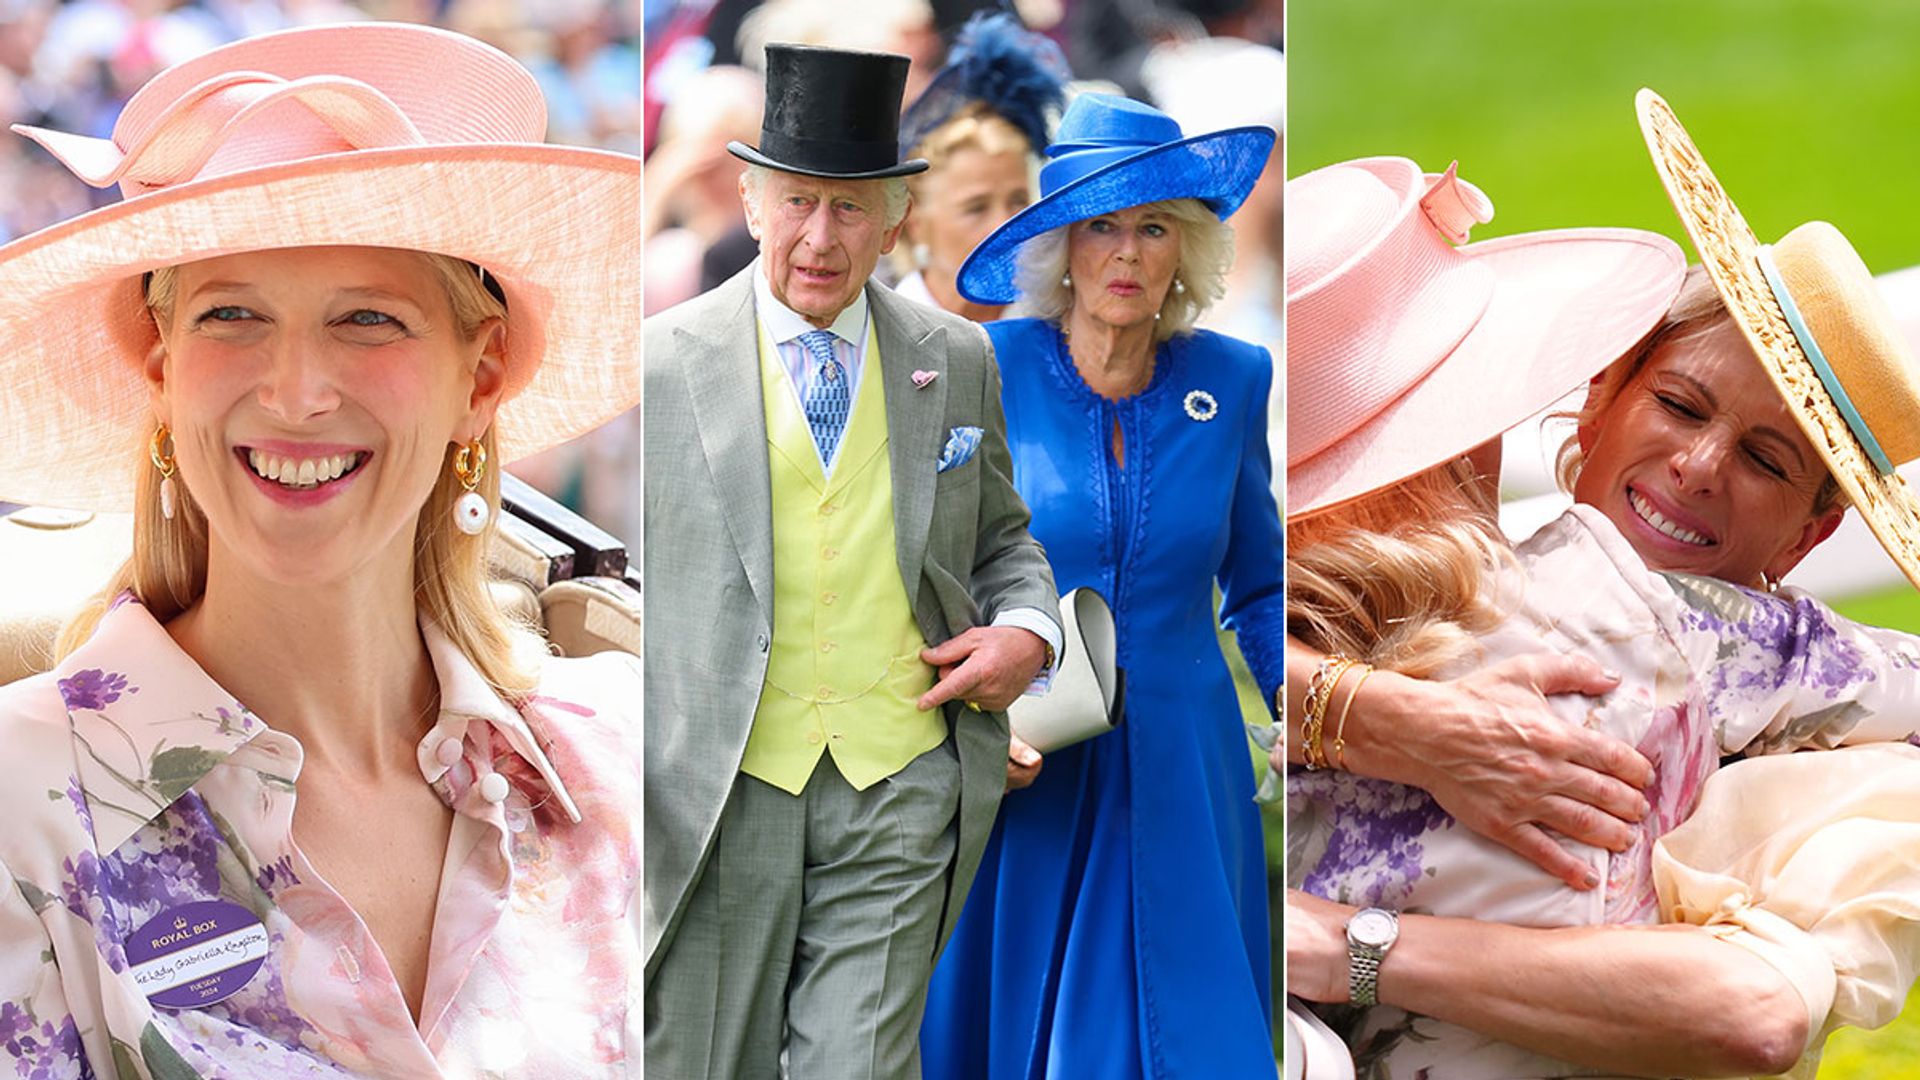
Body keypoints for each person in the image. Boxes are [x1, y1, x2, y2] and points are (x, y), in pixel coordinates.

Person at [0, 23, 643, 1077]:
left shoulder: (609, 762)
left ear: (478, 381)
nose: (297, 392)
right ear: (161, 367)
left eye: (367, 320)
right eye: (234, 315)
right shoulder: (17, 801)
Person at [1283, 91, 1920, 1078]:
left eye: (1765, 458)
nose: (1701, 466)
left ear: (1812, 534)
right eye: (1676, 403)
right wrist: (1391, 721)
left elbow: (1754, 1013)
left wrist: (1343, 944)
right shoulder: (1627, 611)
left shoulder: (1768, 684)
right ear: (1599, 398)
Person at [641, 43, 1060, 1079]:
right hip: (719, 786)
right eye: (796, 204)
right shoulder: (659, 364)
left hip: (901, 775)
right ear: (748, 200)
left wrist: (1027, 632)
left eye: (849, 209)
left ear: (893, 216)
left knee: (858, 1066)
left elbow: (1006, 537)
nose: (820, 239)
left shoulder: (956, 358)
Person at [920, 93, 1283, 1077]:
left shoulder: (1236, 377)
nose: (1127, 254)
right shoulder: (982, 369)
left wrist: (1316, 712)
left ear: (1186, 250)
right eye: (1102, 228)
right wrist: (956, 729)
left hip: (1184, 766)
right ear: (1063, 251)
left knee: (1190, 1032)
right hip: (1027, 759)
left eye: (1153, 227)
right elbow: (919, 577)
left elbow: (1260, 586)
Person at [889, 11, 1068, 322]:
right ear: (913, 221)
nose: (1004, 224)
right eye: (976, 207)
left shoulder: (1057, 330)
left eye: (1018, 201)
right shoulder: (877, 331)